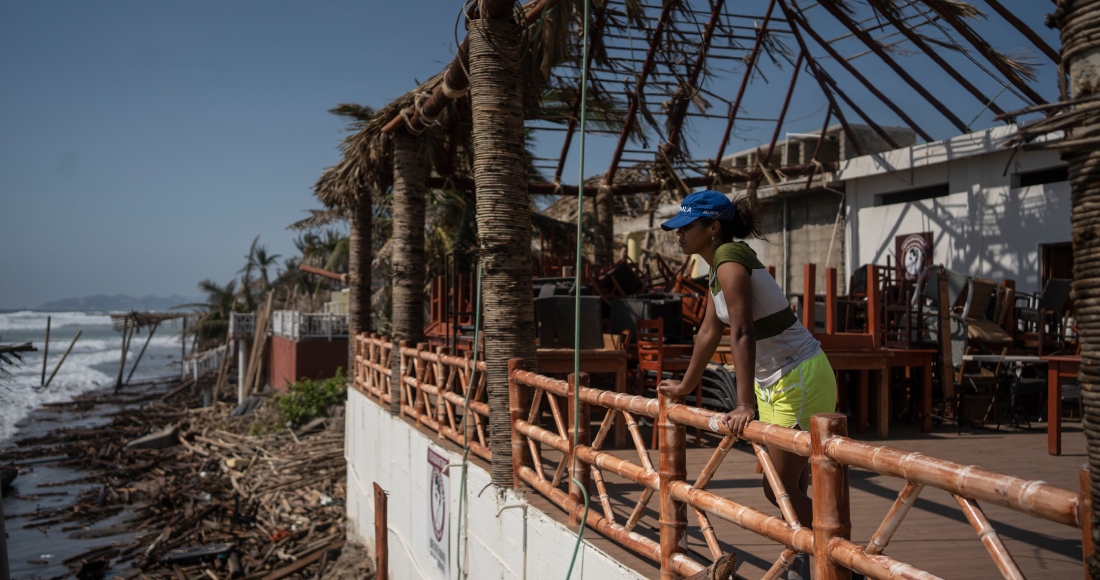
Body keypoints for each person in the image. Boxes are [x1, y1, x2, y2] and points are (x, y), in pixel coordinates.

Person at [655, 190, 836, 580]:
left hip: (796, 375)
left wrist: (742, 403)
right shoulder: (716, 267)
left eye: (687, 227)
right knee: (795, 484)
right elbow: (708, 331)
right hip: (776, 381)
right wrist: (685, 386)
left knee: (779, 490)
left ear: (713, 227)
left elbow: (742, 332)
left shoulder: (729, 260)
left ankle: (842, 557)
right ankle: (811, 561)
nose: (679, 235)